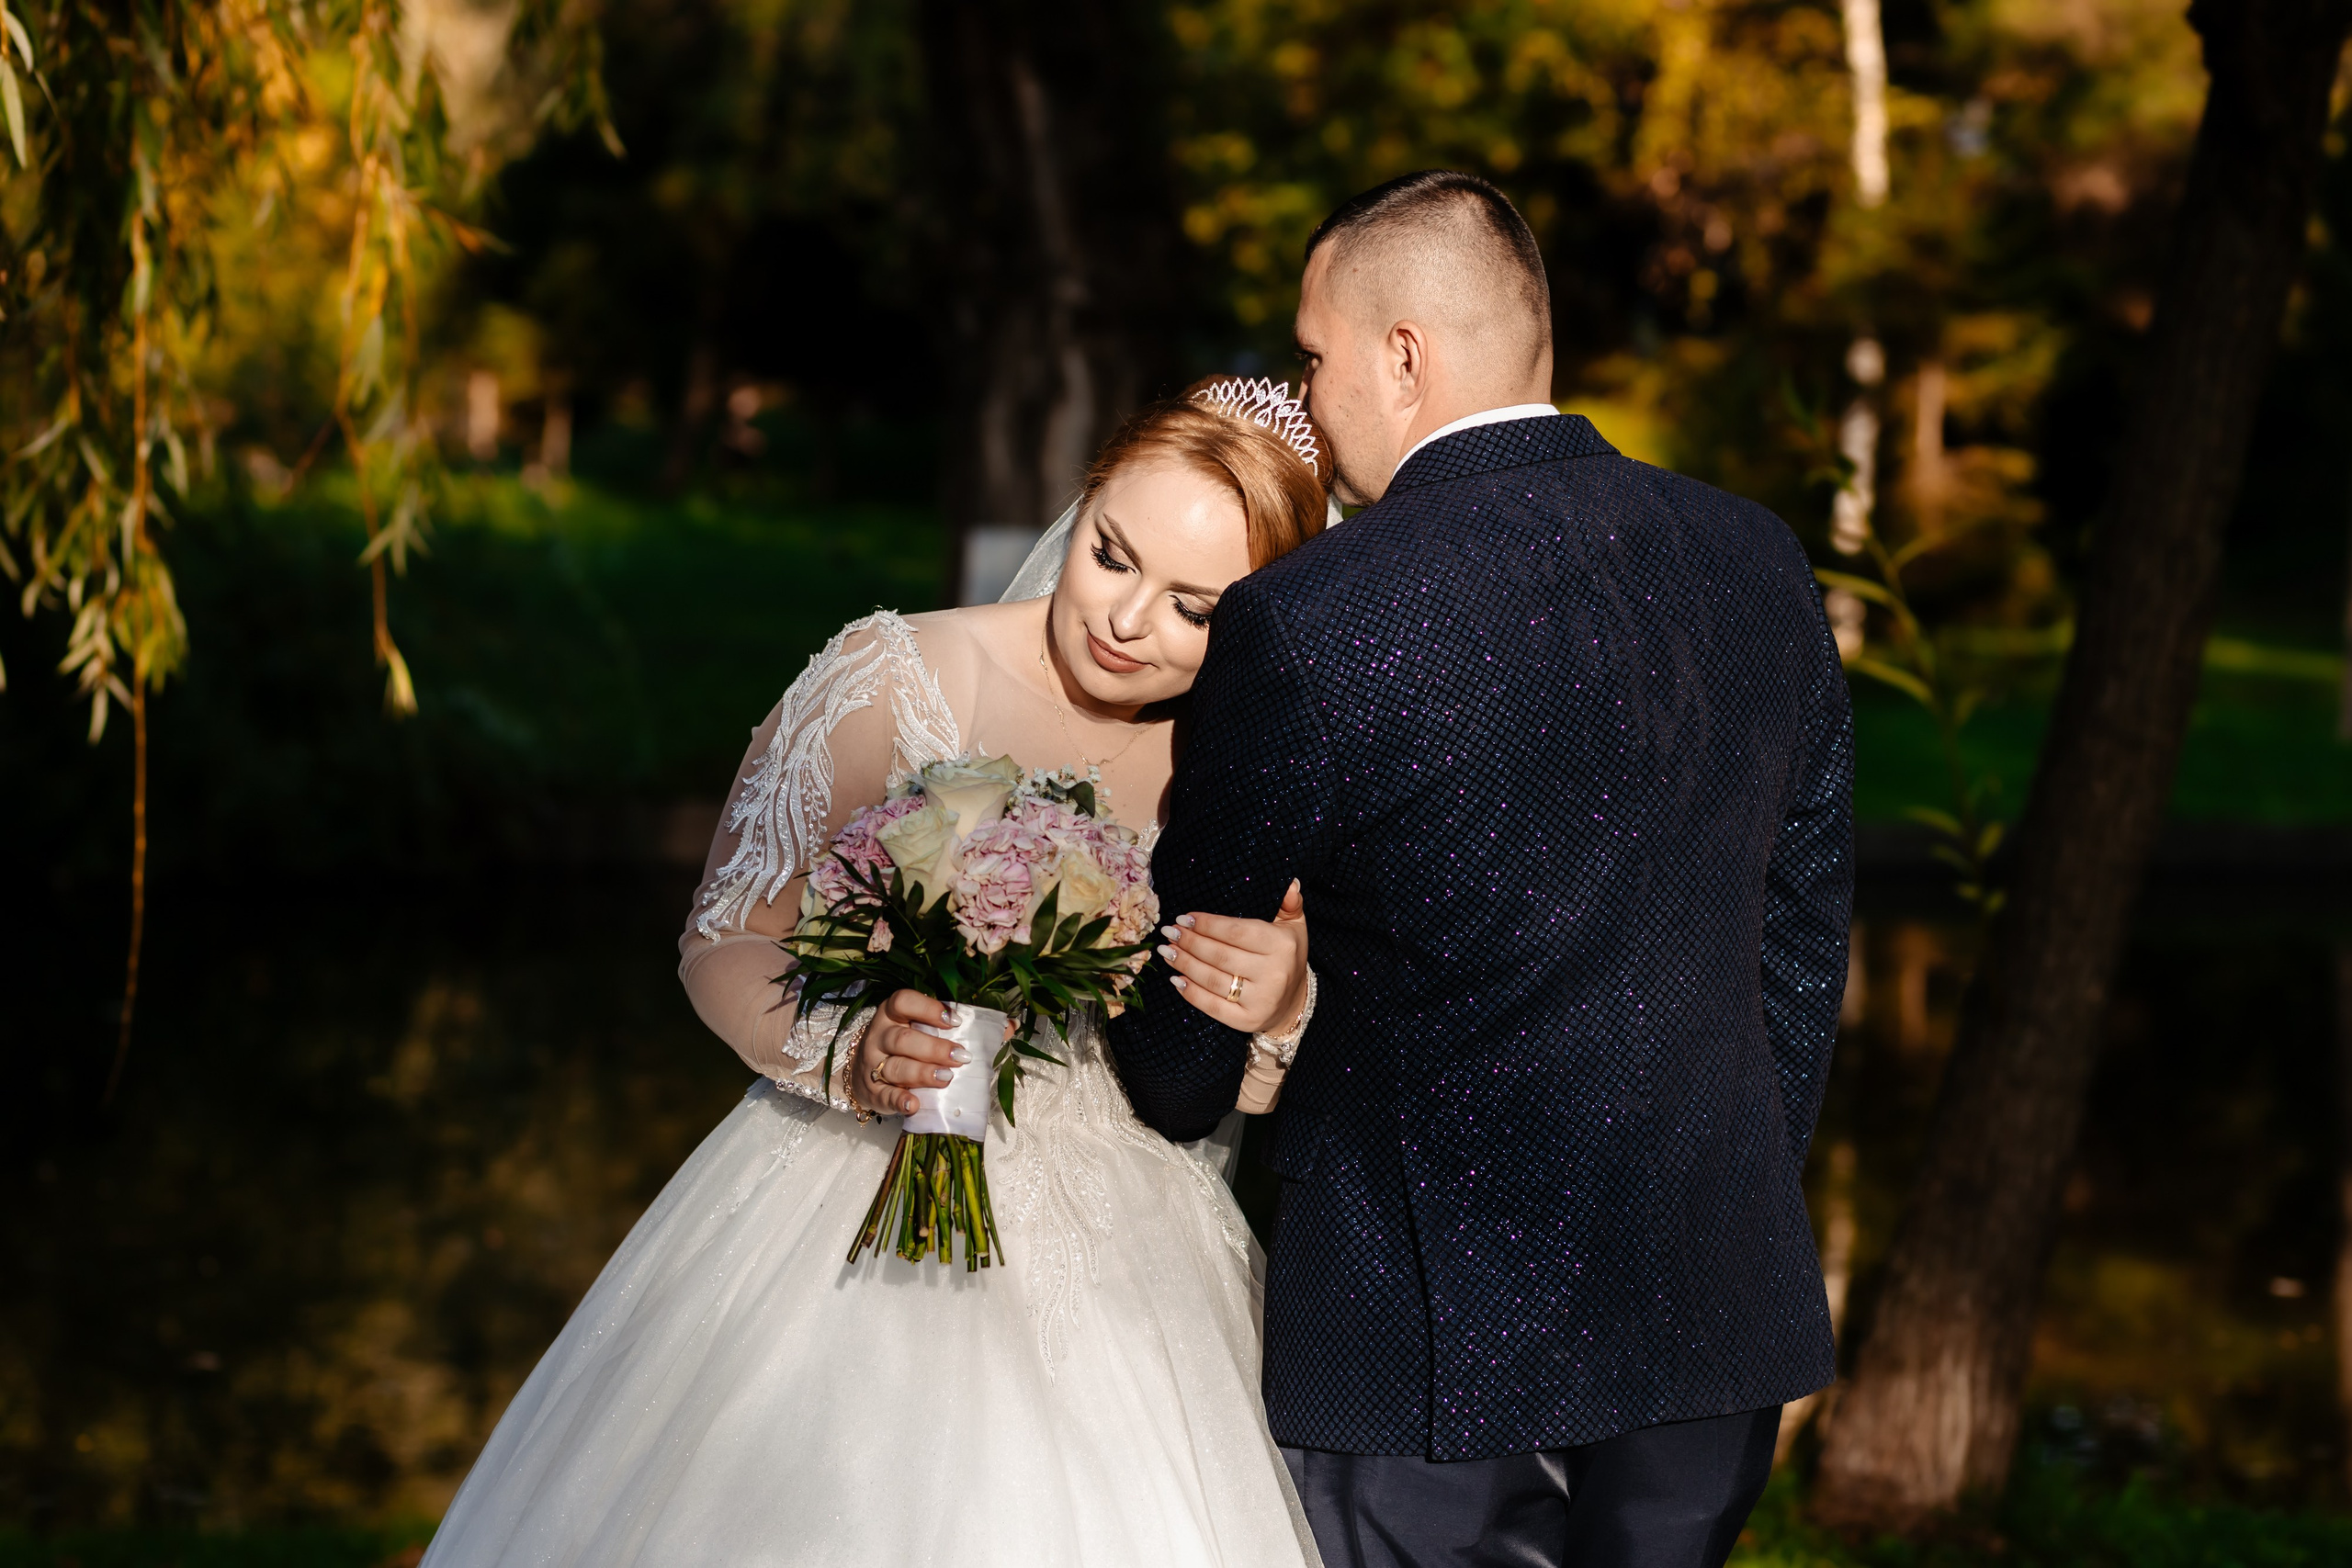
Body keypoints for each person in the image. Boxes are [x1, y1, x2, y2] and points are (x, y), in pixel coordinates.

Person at [418, 378, 1331, 1568]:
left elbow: (1246, 1084)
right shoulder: (895, 677)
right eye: (1112, 554)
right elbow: (725, 935)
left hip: (1127, 1267)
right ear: (1086, 494)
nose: (1125, 618)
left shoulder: (1251, 767)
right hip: (844, 1188)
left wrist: (1281, 1005)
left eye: (1192, 608)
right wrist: (850, 1050)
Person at [1106, 171, 1856, 1568]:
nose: (1309, 400)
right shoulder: (1761, 560)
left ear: (1405, 356)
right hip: (1707, 1300)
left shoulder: (1311, 616)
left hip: (1421, 1344)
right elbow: (1801, 939)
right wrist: (1734, 1183)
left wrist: (1171, 1080)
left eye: (1317, 357)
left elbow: (1182, 1015)